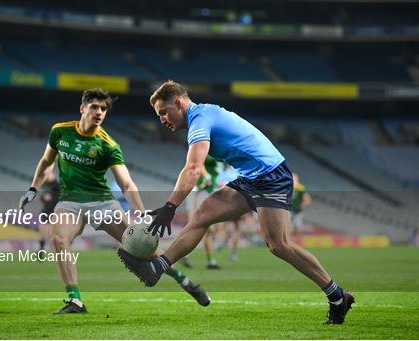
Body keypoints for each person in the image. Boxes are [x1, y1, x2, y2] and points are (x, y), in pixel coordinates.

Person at [118, 81, 354, 324]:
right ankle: (158, 267)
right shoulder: (203, 116)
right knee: (202, 214)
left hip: (271, 175)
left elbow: (193, 168)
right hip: (250, 177)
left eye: (163, 112)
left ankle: (337, 296)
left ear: (178, 102)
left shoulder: (200, 120)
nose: (162, 120)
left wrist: (170, 206)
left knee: (278, 244)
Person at [19, 87, 210, 314]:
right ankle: (75, 300)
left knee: (140, 249)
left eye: (104, 109)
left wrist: (141, 214)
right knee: (58, 240)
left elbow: (126, 184)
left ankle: (183, 280)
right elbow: (45, 162)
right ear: (83, 108)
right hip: (69, 201)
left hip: (102, 203)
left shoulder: (107, 145)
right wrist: (33, 188)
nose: (99, 112)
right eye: (95, 107)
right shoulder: (60, 132)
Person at [182, 155, 222, 269]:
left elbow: (213, 174)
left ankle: (210, 261)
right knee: (199, 225)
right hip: (199, 191)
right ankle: (177, 255)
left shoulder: (222, 159)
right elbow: (199, 162)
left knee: (205, 228)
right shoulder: (211, 152)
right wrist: (207, 176)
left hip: (206, 191)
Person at [38, 167, 60, 252]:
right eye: (46, 174)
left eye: (49, 174)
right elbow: (41, 197)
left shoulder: (57, 186)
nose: (48, 176)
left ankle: (56, 251)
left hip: (54, 212)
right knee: (43, 232)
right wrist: (44, 198)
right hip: (46, 211)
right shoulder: (45, 185)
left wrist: (52, 198)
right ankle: (41, 250)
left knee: (52, 233)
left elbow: (59, 197)